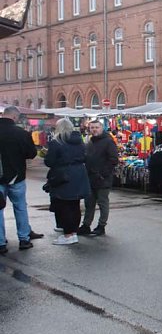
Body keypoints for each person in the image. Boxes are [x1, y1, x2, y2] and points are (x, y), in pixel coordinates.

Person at [0, 105, 40, 253]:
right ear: (15, 117)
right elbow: (31, 154)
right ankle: (24, 239)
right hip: (17, 177)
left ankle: (1, 243)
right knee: (20, 207)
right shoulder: (21, 133)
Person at [44, 118, 90, 246]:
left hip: (63, 175)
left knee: (64, 206)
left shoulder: (56, 142)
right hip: (79, 174)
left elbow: (49, 161)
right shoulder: (80, 141)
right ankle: (73, 233)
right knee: (75, 205)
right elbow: (85, 157)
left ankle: (68, 234)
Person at [80, 120, 119, 237]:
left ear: (101, 128)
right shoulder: (90, 141)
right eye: (92, 128)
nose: (94, 130)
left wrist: (103, 174)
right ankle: (86, 225)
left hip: (103, 179)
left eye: (96, 127)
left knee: (102, 203)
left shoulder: (108, 141)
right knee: (89, 203)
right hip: (90, 178)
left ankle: (101, 226)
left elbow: (114, 160)